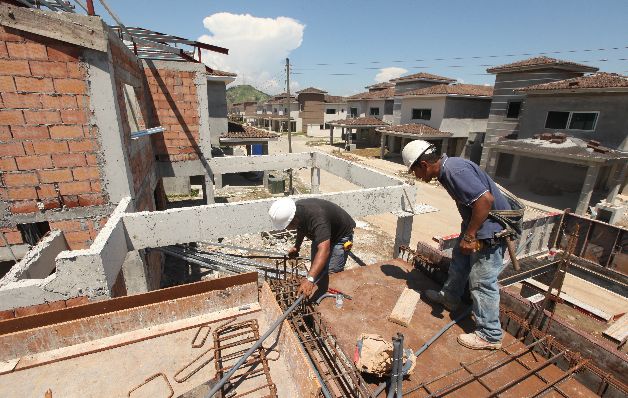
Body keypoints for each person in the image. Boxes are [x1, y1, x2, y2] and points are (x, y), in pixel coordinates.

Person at [402, 140, 513, 350]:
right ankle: (450, 298)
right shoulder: (447, 170)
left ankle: (490, 335)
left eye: (414, 171)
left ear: (424, 165)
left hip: (490, 231)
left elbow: (485, 201)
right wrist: (468, 232)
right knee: (459, 262)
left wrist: (470, 236)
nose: (416, 177)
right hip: (478, 225)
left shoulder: (454, 171)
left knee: (482, 281)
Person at [268, 197, 355, 298]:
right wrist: (297, 246)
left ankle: (331, 301)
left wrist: (309, 279)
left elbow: (324, 250)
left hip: (340, 235)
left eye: (286, 226)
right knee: (316, 269)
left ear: (292, 220)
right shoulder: (297, 212)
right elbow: (301, 228)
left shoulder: (317, 217)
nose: (286, 229)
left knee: (332, 273)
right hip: (324, 232)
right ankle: (318, 292)